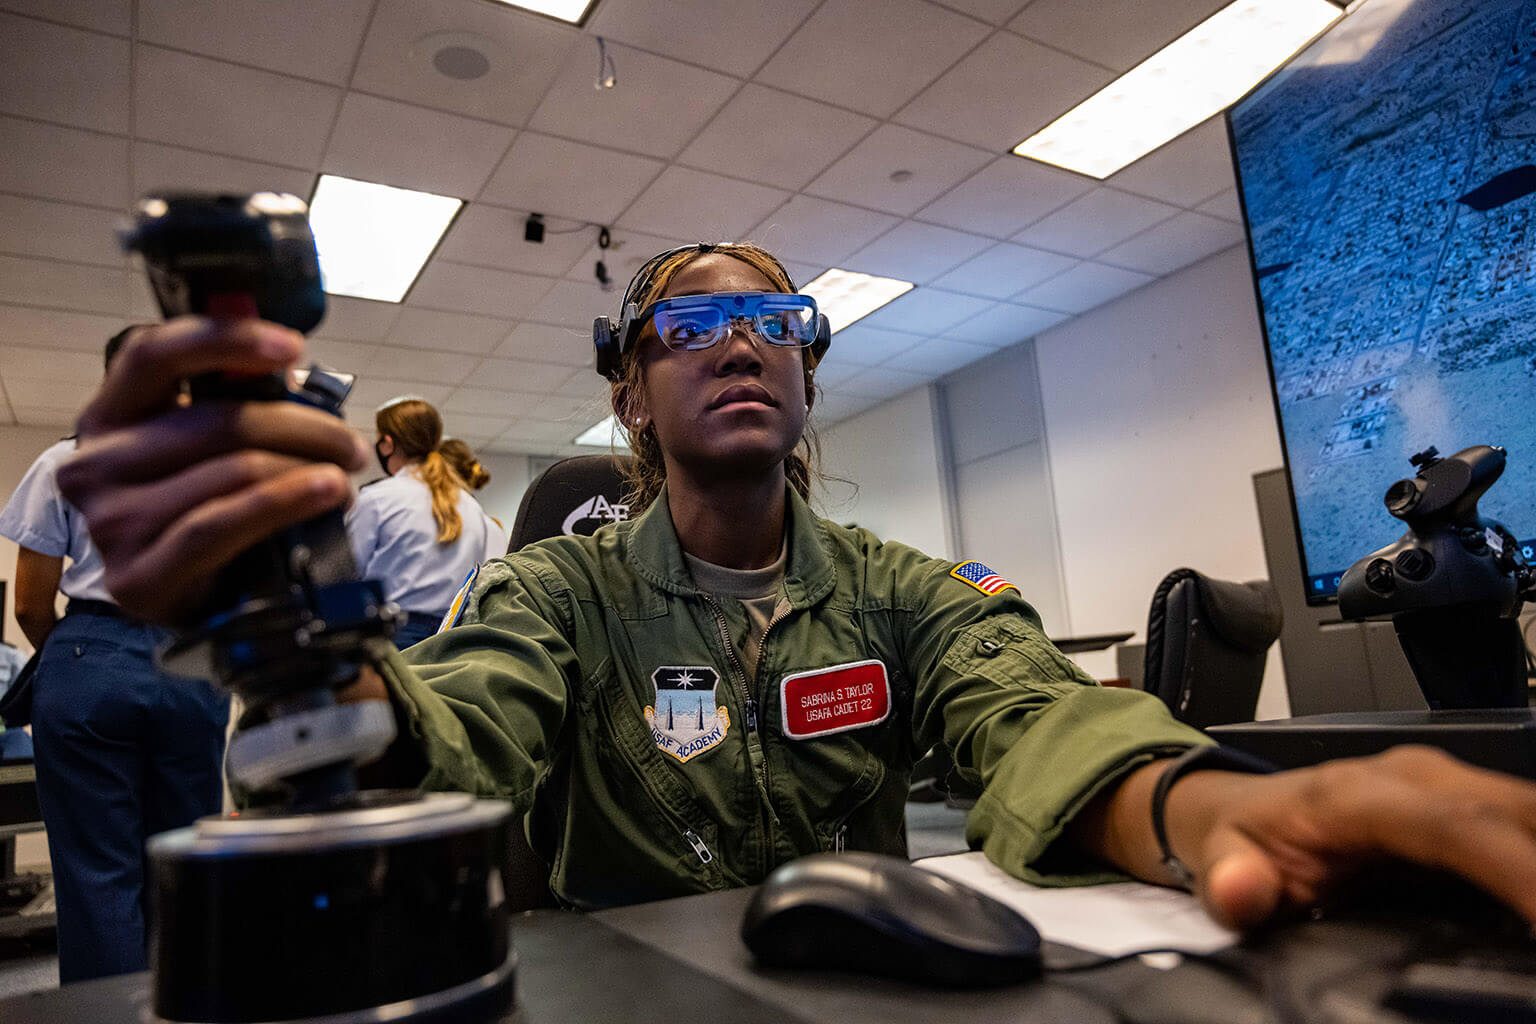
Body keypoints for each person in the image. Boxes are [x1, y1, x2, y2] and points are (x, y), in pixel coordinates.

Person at [58, 244, 1536, 931]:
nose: (741, 340)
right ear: (633, 398)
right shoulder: (556, 598)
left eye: (774, 319)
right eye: (692, 322)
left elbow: (1024, 711)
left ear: (805, 380)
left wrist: (1208, 809)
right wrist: (302, 647)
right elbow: (442, 736)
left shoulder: (903, 591)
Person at [0, 326, 229, 982]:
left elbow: (30, 604)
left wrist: (86, 657)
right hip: (190, 661)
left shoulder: (65, 460)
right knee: (182, 864)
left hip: (89, 655)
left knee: (98, 874)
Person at [349, 397, 506, 648]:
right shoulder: (471, 506)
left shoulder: (378, 498)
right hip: (453, 639)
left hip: (393, 638)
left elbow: (346, 573)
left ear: (387, 444)